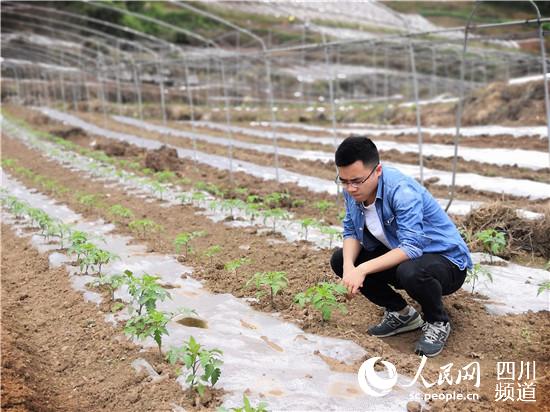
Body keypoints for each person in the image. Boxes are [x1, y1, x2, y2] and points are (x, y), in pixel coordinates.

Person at [330, 136, 472, 357]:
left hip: (446, 263)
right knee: (340, 259)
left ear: (377, 170)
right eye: (344, 181)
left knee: (411, 271)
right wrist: (350, 268)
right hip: (405, 256)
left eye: (356, 181)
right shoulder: (354, 191)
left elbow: (412, 247)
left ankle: (437, 322)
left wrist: (362, 270)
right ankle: (402, 313)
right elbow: (351, 232)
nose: (350, 188)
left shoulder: (401, 191)